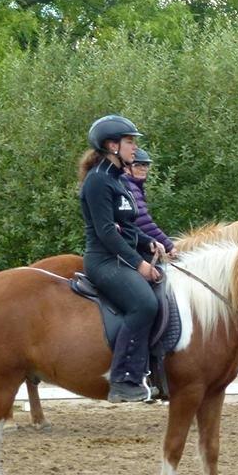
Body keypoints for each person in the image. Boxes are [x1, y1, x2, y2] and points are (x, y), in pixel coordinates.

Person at [79, 115, 162, 403]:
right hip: (104, 262)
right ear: (111, 145)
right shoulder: (98, 182)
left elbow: (127, 228)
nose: (135, 149)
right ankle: (124, 379)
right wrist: (139, 263)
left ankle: (157, 372)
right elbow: (106, 233)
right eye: (129, 142)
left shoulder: (119, 181)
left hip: (120, 256)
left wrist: (148, 242)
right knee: (144, 304)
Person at [123, 148, 177, 258]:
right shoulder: (129, 187)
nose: (143, 169)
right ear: (127, 168)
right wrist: (168, 245)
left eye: (146, 165)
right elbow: (144, 223)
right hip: (128, 245)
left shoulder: (135, 186)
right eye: (138, 165)